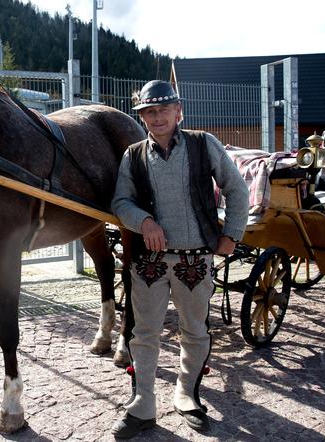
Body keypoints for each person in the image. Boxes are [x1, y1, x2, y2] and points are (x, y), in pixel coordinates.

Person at [110, 80, 249, 439]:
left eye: (162, 110)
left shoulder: (205, 145)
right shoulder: (133, 155)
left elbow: (237, 189)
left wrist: (232, 234)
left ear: (178, 111)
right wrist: (144, 221)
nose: (156, 118)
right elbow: (121, 203)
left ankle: (187, 394)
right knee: (144, 334)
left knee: (195, 330)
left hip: (196, 260)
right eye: (148, 112)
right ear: (142, 117)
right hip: (149, 263)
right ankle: (142, 404)